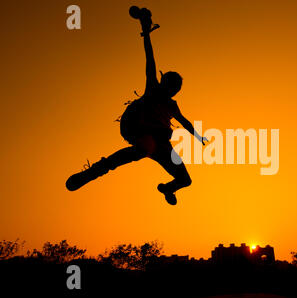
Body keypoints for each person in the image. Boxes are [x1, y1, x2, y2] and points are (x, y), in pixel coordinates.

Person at [66, 8, 207, 205]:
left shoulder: (172, 105)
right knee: (143, 149)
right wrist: (146, 31)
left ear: (176, 90)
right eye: (169, 85)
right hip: (137, 128)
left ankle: (167, 188)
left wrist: (199, 136)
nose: (171, 90)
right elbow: (150, 57)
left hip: (161, 143)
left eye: (175, 88)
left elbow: (184, 122)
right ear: (164, 82)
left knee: (185, 180)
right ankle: (95, 171)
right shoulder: (153, 88)